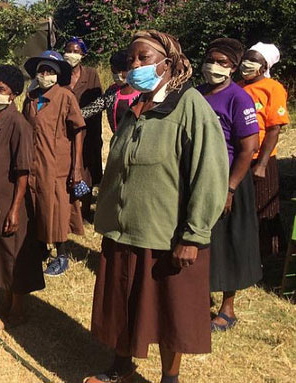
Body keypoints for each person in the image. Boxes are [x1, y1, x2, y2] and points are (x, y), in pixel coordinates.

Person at [85, 30, 228, 383]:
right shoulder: (136, 106)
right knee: (121, 302)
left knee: (168, 311)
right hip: (123, 227)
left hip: (165, 234)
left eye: (143, 58)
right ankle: (120, 366)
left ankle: (170, 378)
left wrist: (193, 236)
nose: (134, 65)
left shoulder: (190, 105)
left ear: (169, 63)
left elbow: (209, 173)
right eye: (131, 58)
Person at [0, 65, 44, 331]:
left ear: (13, 94)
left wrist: (15, 209)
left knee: (13, 255)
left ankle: (18, 310)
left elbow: (23, 171)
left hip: (10, 200)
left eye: (1, 89)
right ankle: (5, 300)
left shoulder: (18, 125)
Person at [196, 38, 261, 332]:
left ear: (233, 67)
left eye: (222, 62)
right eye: (211, 59)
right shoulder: (196, 94)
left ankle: (227, 308)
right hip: (199, 176)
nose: (214, 66)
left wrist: (230, 188)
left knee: (228, 243)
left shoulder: (239, 98)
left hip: (229, 178)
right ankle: (199, 294)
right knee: (199, 239)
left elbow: (248, 147)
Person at [22, 51, 86, 277]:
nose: (45, 74)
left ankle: (61, 254)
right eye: (42, 70)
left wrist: (76, 167)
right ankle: (40, 248)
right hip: (34, 161)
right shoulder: (31, 98)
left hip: (57, 162)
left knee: (57, 207)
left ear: (58, 74)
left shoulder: (65, 96)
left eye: (50, 71)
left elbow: (78, 129)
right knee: (36, 203)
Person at [237, 42, 290, 257]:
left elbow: (274, 129)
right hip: (239, 156)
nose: (246, 64)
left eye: (253, 61)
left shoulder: (273, 88)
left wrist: (262, 164)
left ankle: (269, 254)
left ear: (264, 66)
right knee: (242, 206)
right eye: (246, 58)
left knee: (264, 208)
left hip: (261, 158)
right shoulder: (237, 86)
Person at [63, 37, 103, 219]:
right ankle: (69, 206)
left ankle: (85, 207)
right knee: (68, 163)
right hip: (65, 128)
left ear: (83, 55)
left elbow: (98, 101)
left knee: (86, 165)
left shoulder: (91, 74)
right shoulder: (61, 74)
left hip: (88, 129)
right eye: (68, 50)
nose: (72, 54)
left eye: (76, 51)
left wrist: (82, 117)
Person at [80, 50, 140, 133]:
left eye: (122, 71)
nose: (119, 75)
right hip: (117, 142)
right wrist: (74, 115)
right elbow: (93, 108)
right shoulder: (112, 91)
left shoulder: (142, 92)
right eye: (115, 72)